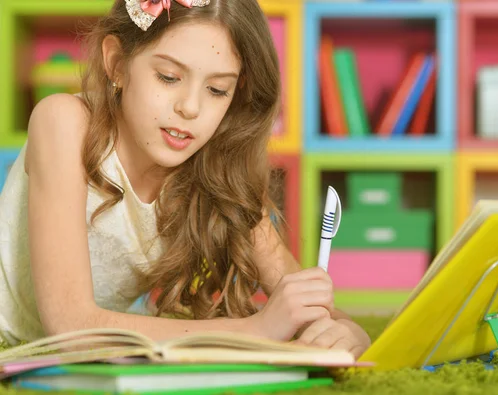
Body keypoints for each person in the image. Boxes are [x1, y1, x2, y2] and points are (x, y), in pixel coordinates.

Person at [0, 0, 371, 358]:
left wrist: (348, 331)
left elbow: (304, 300)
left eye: (216, 89)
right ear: (116, 63)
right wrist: (256, 330)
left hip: (95, 358)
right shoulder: (64, 122)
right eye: (169, 76)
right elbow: (71, 326)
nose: (190, 108)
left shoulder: (216, 168)